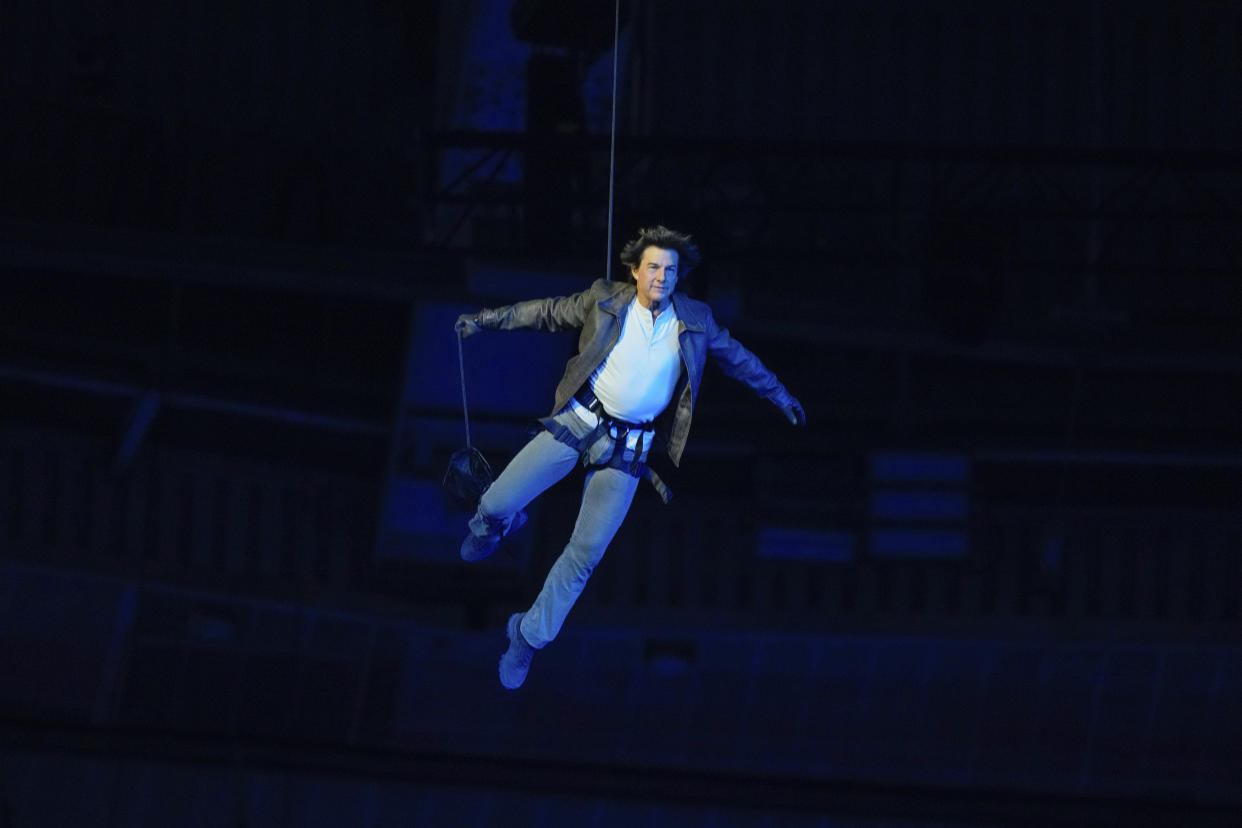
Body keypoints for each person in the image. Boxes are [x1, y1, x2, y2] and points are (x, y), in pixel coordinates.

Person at [455, 225, 805, 689]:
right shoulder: (604, 299)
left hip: (629, 449)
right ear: (636, 271)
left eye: (671, 270)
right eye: (654, 267)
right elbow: (546, 313)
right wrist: (486, 320)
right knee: (496, 502)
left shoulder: (694, 319)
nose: (662, 277)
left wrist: (777, 391)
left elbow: (737, 358)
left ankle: (526, 636)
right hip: (580, 421)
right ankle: (492, 526)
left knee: (584, 555)